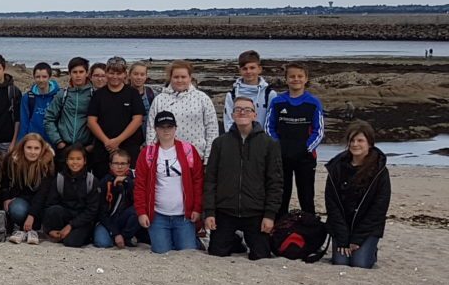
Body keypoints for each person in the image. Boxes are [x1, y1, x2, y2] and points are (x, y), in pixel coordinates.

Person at [203, 96, 283, 260]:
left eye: (247, 110)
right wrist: (210, 212)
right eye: (238, 109)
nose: (242, 112)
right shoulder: (220, 143)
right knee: (217, 252)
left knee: (260, 255)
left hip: (255, 212)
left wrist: (269, 215)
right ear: (232, 115)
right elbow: (210, 180)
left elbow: (275, 182)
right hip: (226, 210)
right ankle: (235, 240)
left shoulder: (269, 144)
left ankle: (248, 238)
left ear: (254, 115)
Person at [135, 111, 204, 254]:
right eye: (162, 127)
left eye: (170, 126)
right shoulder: (148, 153)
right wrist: (142, 212)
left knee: (188, 252)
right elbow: (140, 185)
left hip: (184, 215)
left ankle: (196, 240)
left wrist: (197, 208)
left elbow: (198, 181)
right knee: (161, 253)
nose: (166, 130)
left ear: (175, 128)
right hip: (158, 215)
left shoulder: (188, 150)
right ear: (156, 129)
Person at [325, 120, 391, 269]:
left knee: (359, 264)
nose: (355, 144)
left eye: (360, 140)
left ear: (370, 143)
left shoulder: (379, 171)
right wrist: (342, 237)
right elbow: (331, 203)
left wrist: (357, 238)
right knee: (341, 262)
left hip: (367, 228)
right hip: (342, 226)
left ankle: (371, 250)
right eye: (352, 140)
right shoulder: (336, 167)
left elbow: (379, 208)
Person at [266, 62, 325, 219]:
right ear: (286, 79)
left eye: (300, 76)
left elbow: (319, 131)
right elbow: (269, 127)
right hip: (281, 156)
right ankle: (279, 231)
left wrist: (306, 148)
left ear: (306, 79)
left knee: (306, 196)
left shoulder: (313, 102)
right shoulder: (278, 102)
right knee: (281, 196)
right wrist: (278, 146)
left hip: (305, 157)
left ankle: (310, 229)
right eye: (292, 76)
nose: (296, 79)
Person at [145, 59, 218, 163]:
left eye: (183, 77)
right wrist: (151, 157)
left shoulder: (202, 98)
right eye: (176, 77)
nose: (180, 80)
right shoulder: (159, 99)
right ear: (170, 78)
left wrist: (208, 158)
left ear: (190, 78)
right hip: (166, 159)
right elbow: (151, 130)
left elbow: (212, 129)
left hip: (197, 157)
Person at [86, 56, 145, 178]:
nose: (115, 76)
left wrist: (117, 140)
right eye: (111, 73)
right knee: (103, 184)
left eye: (119, 73)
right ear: (106, 73)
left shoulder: (132, 93)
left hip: (129, 147)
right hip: (103, 149)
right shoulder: (98, 95)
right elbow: (91, 121)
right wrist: (107, 142)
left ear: (125, 75)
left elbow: (138, 120)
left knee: (129, 184)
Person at [30, 144, 99, 247]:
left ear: (84, 161)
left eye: (78, 159)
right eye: (71, 159)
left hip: (82, 219)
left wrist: (71, 225)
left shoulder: (91, 181)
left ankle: (80, 235)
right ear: (66, 161)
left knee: (71, 242)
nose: (75, 162)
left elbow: (92, 210)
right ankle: (56, 233)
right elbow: (50, 205)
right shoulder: (59, 179)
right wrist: (50, 230)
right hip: (65, 215)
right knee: (54, 210)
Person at [2, 132, 56, 244]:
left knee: (49, 211)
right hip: (23, 198)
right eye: (29, 148)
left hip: (42, 201)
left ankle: (32, 229)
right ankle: (24, 229)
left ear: (42, 149)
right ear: (23, 148)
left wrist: (31, 216)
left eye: (36, 148)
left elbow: (43, 193)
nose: (32, 152)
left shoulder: (48, 163)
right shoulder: (13, 160)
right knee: (16, 209)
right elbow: (5, 181)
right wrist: (6, 197)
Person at [43, 57, 93, 156]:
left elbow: (102, 122)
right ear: (69, 74)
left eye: (81, 72)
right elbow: (49, 118)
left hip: (86, 148)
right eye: (74, 72)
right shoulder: (62, 95)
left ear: (87, 73)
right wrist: (58, 142)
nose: (78, 75)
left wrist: (92, 145)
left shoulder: (94, 95)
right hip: (64, 147)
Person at [93, 149, 141, 249]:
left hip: (125, 219)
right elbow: (101, 212)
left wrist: (127, 181)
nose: (119, 167)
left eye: (123, 163)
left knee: (137, 210)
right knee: (102, 243)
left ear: (128, 165)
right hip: (108, 220)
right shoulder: (105, 182)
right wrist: (115, 233)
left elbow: (139, 201)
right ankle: (118, 237)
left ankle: (125, 236)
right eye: (116, 163)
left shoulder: (134, 179)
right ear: (110, 165)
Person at [223, 50, 277, 132]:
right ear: (240, 70)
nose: (248, 72)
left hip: (262, 141)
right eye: (245, 69)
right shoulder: (232, 95)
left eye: (252, 68)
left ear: (259, 69)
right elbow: (229, 122)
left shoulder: (269, 94)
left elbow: (272, 122)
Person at [18, 62, 59, 141]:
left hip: (53, 142)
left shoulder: (58, 96)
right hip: (33, 142)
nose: (41, 80)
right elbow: (24, 123)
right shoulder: (28, 97)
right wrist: (20, 143)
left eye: (44, 77)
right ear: (33, 77)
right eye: (38, 77)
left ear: (49, 77)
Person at [128, 61, 156, 142]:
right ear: (129, 75)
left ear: (146, 76)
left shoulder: (151, 94)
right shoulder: (123, 93)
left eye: (142, 74)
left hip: (147, 139)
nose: (139, 77)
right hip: (128, 141)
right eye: (135, 74)